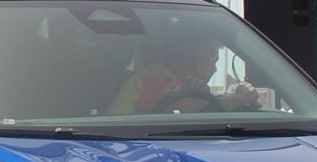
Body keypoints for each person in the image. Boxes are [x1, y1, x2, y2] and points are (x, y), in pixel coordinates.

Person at [110, 25, 258, 114]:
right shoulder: (155, 78)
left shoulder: (181, 83)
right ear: (200, 62)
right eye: (214, 61)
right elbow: (196, 113)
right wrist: (240, 97)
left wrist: (202, 94)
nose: (214, 69)